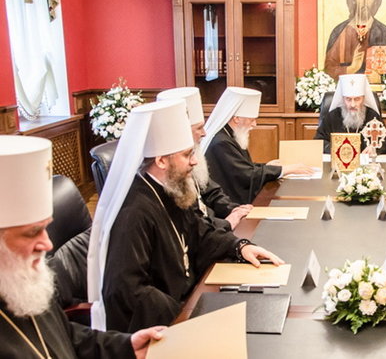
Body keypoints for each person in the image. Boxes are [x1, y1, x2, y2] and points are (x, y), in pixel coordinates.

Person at [87, 99, 284, 333]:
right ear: (161, 160)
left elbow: (199, 231)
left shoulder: (172, 188)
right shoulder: (134, 212)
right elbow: (126, 289)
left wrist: (239, 246)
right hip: (159, 325)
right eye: (186, 154)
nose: (195, 161)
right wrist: (183, 315)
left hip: (189, 299)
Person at [0, 135, 163, 358]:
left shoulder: (18, 281)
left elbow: (65, 337)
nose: (47, 244)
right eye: (31, 233)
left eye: (46, 228)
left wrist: (126, 345)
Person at [157, 87, 252, 230]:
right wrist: (227, 223)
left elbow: (211, 191)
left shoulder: (193, 158)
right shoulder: (168, 172)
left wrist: (234, 210)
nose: (204, 133)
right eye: (199, 128)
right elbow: (190, 221)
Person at [201, 87, 314, 205]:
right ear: (236, 119)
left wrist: (267, 166)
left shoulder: (230, 135)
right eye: (252, 120)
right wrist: (285, 170)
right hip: (227, 205)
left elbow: (243, 167)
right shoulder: (221, 142)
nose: (255, 124)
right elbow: (245, 175)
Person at [324, 0, 386, 83]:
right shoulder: (340, 31)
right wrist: (351, 69)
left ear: (375, 0)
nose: (364, 1)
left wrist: (381, 79)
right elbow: (328, 70)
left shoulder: (384, 33)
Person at [314, 74, 386, 154]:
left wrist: (374, 149)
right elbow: (319, 141)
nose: (352, 104)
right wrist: (335, 149)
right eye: (348, 99)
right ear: (343, 99)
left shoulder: (373, 116)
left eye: (357, 99)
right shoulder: (332, 117)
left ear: (363, 99)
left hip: (365, 164)